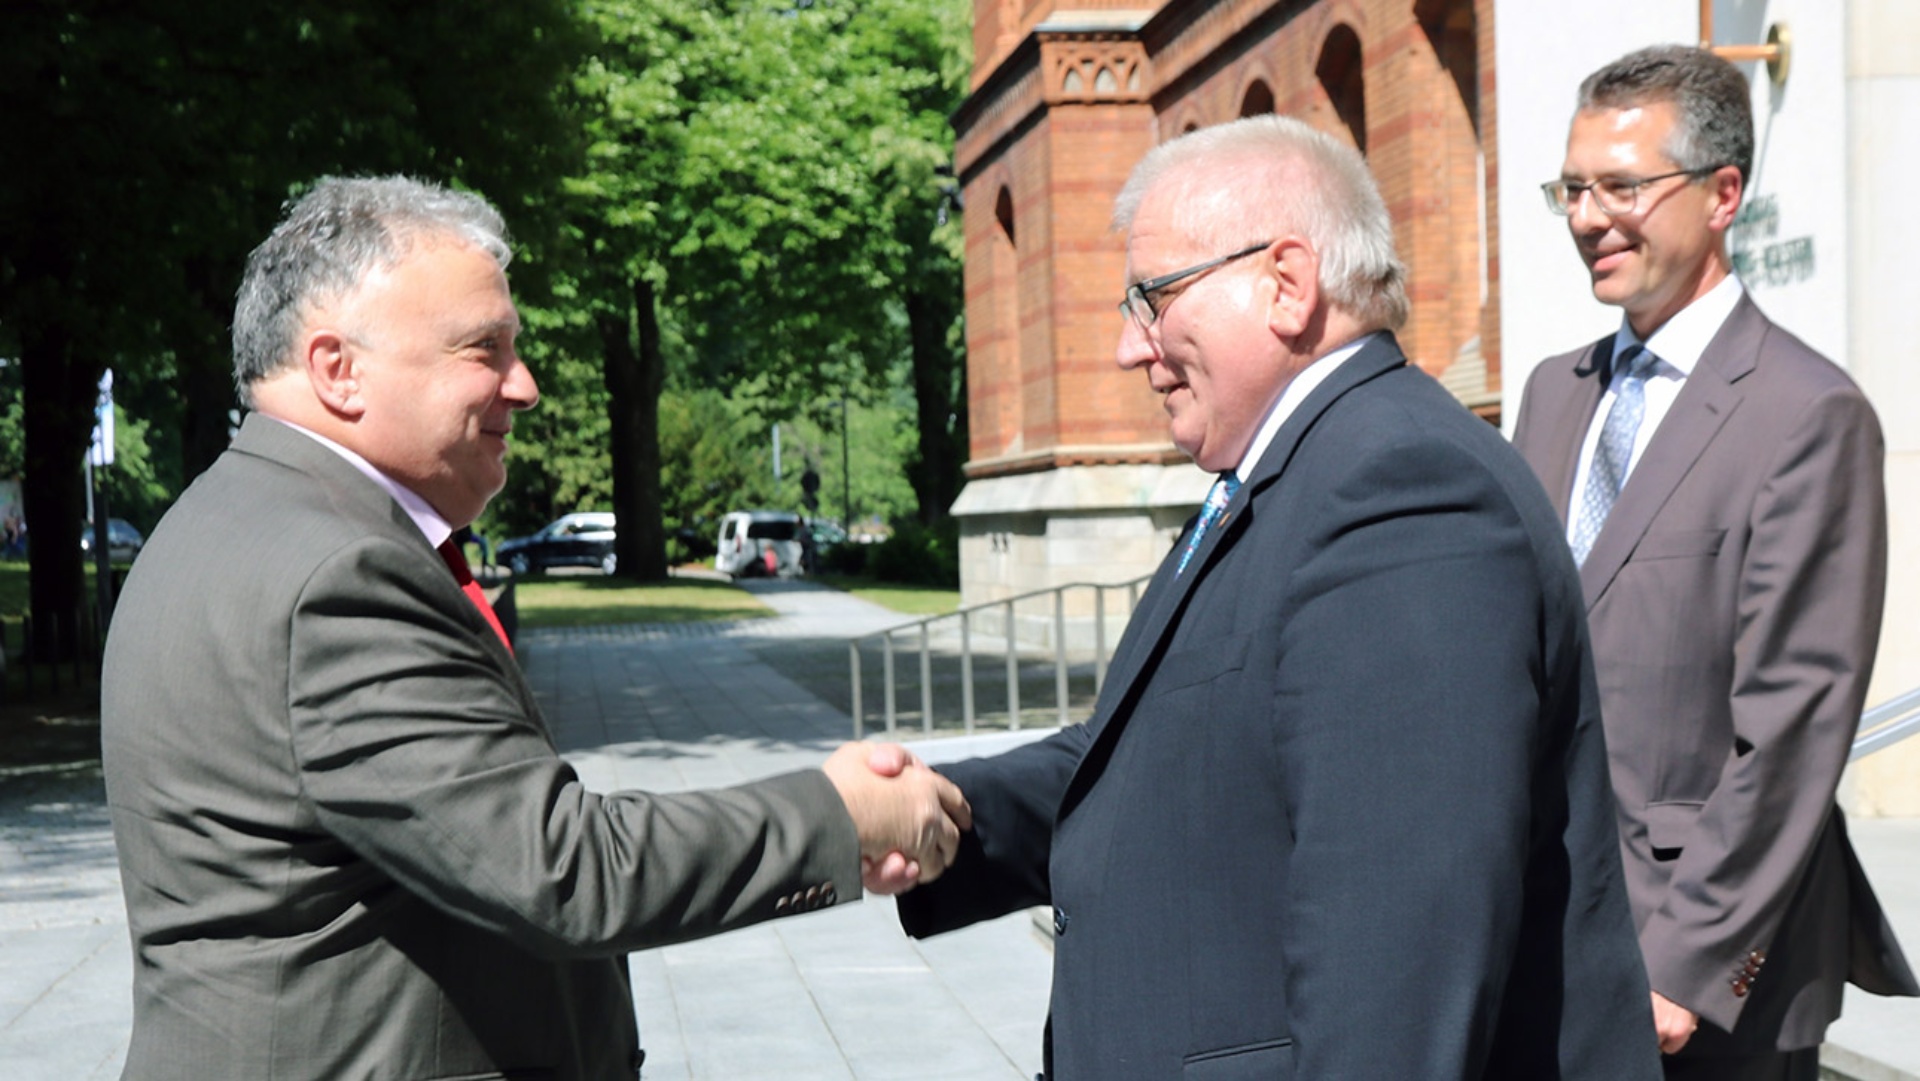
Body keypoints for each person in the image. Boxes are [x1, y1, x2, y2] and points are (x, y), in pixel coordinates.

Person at [99, 176, 968, 1080]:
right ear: (337, 369)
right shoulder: (338, 574)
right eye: (486, 349)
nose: (526, 385)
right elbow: (560, 868)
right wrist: (839, 812)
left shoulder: (237, 516)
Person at [886, 115, 1659, 1079]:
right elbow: (1165, 752)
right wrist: (948, 813)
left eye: (1152, 299)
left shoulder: (1404, 496)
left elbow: (1394, 972)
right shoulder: (1299, 467)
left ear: (1286, 284)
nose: (1133, 347)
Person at [1512, 45, 1918, 1079]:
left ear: (1723, 193)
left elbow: (1790, 730)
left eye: (1623, 186)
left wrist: (1687, 966)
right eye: (1573, 187)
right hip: (1545, 934)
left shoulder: (1806, 414)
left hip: (1699, 982)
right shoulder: (1554, 395)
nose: (1588, 216)